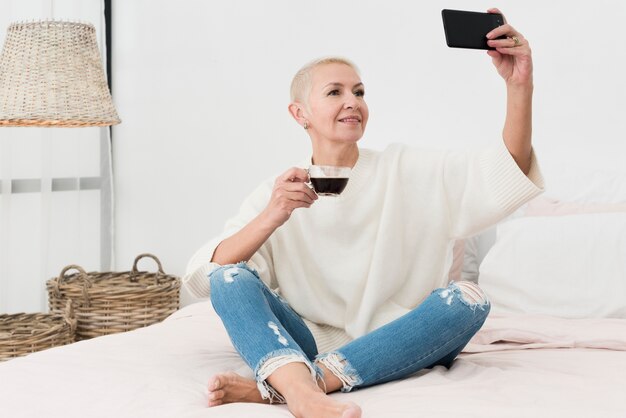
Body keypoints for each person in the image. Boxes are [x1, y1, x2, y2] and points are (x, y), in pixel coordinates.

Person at [184, 8, 543, 418]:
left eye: (359, 91)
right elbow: (206, 278)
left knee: (468, 299)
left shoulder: (406, 168)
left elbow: (506, 171)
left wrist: (520, 85)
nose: (352, 101)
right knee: (230, 275)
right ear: (299, 114)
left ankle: (299, 387)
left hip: (400, 338)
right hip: (305, 339)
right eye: (334, 92)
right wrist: (273, 216)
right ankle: (303, 387)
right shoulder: (278, 193)